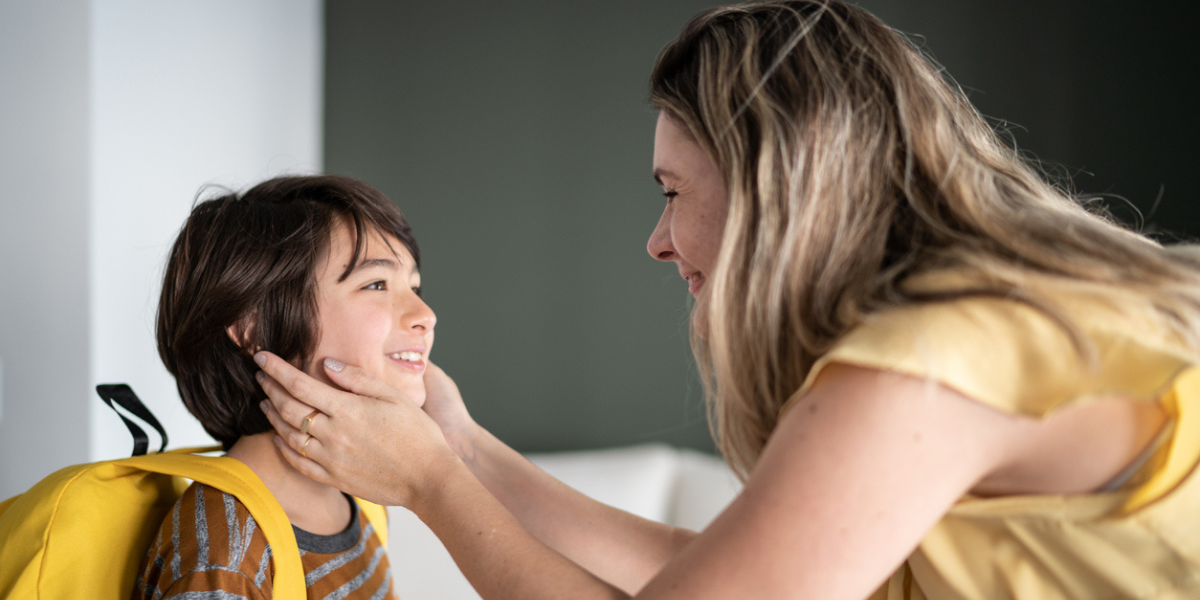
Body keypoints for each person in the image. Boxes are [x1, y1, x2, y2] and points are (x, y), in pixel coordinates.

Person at [255, 1, 1200, 598]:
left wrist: (431, 484)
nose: (658, 240)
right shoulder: (976, 329)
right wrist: (459, 445)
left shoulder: (938, 363)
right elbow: (702, 574)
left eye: (672, 191)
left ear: (770, 182)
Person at [135, 175, 434, 599]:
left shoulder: (359, 497)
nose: (425, 314)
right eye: (376, 284)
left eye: (415, 287)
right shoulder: (226, 558)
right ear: (254, 326)